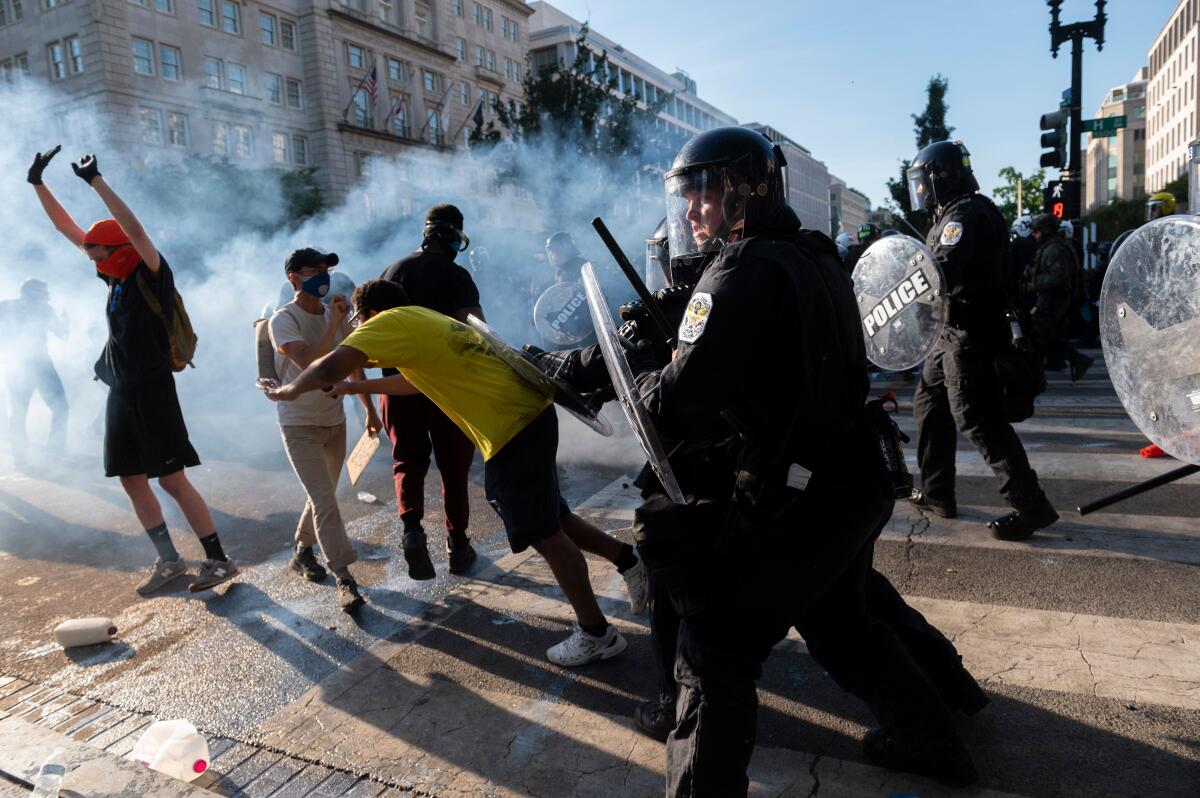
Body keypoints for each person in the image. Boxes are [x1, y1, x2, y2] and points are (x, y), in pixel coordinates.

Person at [632, 127, 975, 794]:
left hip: (798, 496)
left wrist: (650, 365)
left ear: (744, 189)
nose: (692, 209)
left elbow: (679, 406)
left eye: (704, 191)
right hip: (848, 478)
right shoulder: (811, 253)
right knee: (843, 623)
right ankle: (932, 741)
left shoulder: (741, 270)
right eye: (687, 195)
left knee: (713, 652)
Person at [270, 279, 648, 666]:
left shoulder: (382, 323)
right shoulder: (422, 320)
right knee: (554, 516)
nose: (357, 327)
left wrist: (287, 391)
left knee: (544, 534)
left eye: (358, 320)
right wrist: (351, 391)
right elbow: (412, 383)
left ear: (367, 315)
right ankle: (629, 560)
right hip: (527, 415)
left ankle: (597, 633)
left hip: (509, 426)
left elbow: (328, 366)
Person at [28, 146, 237, 594]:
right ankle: (170, 561)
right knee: (130, 478)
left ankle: (218, 560)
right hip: (120, 390)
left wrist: (96, 181)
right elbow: (69, 230)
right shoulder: (115, 278)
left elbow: (135, 229)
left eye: (97, 250)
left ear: (118, 249)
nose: (90, 256)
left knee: (172, 479)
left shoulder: (150, 272)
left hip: (152, 388)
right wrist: (38, 185)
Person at [906, 140, 1058, 541]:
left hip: (970, 334)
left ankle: (1031, 505)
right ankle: (938, 492)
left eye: (923, 182)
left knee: (978, 419)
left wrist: (906, 287)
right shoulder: (952, 214)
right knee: (929, 407)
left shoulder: (966, 216)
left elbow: (942, 269)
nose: (920, 191)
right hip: (947, 335)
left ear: (941, 176)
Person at [269, 247, 381, 613]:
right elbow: (310, 365)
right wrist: (334, 325)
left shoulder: (339, 315)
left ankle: (302, 552)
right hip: (299, 423)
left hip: (335, 421)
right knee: (325, 501)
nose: (322, 275)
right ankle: (345, 578)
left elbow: (351, 365)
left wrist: (368, 410)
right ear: (294, 279)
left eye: (325, 269)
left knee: (324, 495)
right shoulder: (282, 320)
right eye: (313, 270)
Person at [378, 205, 483, 580]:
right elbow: (475, 332)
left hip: (397, 387)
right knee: (454, 469)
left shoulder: (392, 271)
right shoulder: (456, 275)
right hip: (446, 390)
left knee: (406, 461)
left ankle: (412, 531)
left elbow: (370, 327)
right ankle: (458, 546)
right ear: (455, 237)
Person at [0, 278, 69, 467]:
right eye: (42, 294)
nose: (45, 298)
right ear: (37, 294)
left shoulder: (4, 306)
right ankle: (54, 452)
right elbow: (63, 335)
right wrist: (65, 322)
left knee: (19, 412)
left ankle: (20, 457)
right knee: (61, 408)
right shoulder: (44, 309)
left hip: (15, 365)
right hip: (39, 365)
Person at [1025, 215, 1094, 382]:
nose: (1034, 235)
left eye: (1036, 231)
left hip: (1053, 300)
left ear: (1046, 231)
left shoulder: (1055, 249)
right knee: (1046, 335)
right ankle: (1075, 360)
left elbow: (1058, 278)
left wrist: (1032, 283)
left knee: (1039, 333)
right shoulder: (1051, 247)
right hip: (1051, 299)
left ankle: (1075, 360)